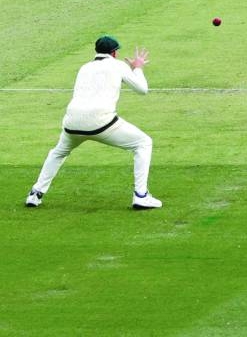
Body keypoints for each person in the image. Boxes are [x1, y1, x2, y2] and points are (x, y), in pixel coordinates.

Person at [25, 36, 161, 210]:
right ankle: (141, 196)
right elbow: (142, 90)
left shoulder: (84, 67)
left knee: (58, 152)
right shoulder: (118, 65)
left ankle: (35, 194)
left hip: (71, 122)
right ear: (114, 53)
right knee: (143, 143)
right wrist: (137, 68)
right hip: (102, 122)